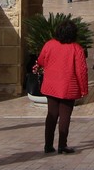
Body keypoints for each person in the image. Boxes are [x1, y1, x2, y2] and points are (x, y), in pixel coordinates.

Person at [35, 18, 89, 154]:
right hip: (68, 87)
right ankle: (62, 145)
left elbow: (41, 60)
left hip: (51, 85)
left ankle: (48, 145)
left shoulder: (49, 45)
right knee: (65, 116)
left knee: (51, 114)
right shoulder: (76, 48)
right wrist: (83, 89)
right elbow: (81, 71)